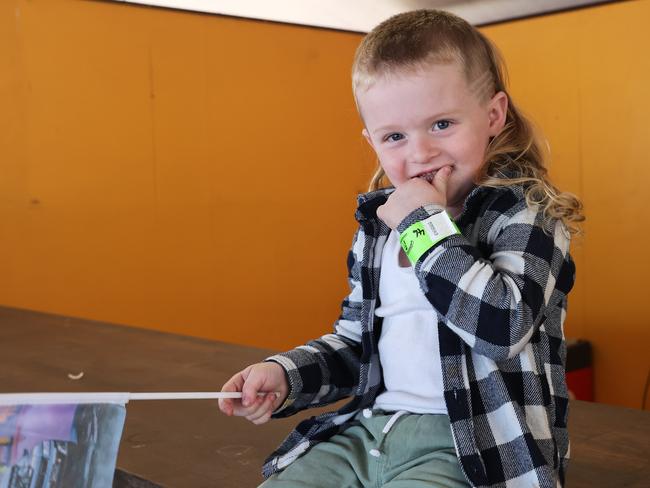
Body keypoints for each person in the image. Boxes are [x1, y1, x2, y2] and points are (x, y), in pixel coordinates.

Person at [218, 9, 583, 488]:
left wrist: (421, 224)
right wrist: (286, 375)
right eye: (395, 136)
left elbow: (503, 326)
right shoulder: (378, 229)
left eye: (442, 125)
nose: (420, 153)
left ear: (493, 116)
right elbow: (357, 344)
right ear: (372, 141)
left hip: (476, 447)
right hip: (370, 431)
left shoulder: (527, 214)